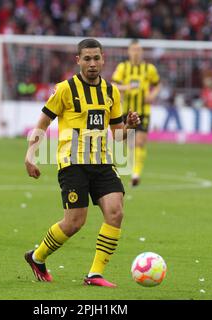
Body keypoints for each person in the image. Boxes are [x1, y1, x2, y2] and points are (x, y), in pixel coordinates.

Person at [24, 38, 140, 287]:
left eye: (96, 58)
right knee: (74, 222)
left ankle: (95, 274)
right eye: (87, 59)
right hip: (72, 163)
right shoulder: (64, 89)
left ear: (103, 59)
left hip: (102, 162)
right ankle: (37, 257)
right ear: (78, 61)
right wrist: (30, 154)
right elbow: (42, 124)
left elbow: (117, 135)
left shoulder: (111, 91)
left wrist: (128, 126)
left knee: (115, 212)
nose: (92, 63)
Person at [111, 39, 160, 186]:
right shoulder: (123, 68)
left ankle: (136, 173)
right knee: (129, 143)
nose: (136, 52)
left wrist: (153, 95)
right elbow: (113, 85)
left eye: (139, 49)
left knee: (140, 142)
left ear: (142, 52)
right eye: (134, 49)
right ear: (129, 51)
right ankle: (134, 167)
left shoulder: (149, 69)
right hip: (126, 111)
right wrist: (127, 88)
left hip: (143, 111)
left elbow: (157, 85)